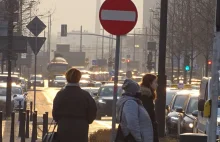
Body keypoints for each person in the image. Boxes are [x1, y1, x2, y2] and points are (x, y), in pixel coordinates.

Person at [52, 68, 97, 142]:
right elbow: (92, 111)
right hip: (81, 128)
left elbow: (55, 113)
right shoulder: (85, 95)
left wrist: (61, 120)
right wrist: (86, 121)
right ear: (79, 78)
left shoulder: (60, 94)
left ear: (67, 78)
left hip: (64, 127)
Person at [140, 74, 159, 142]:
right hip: (147, 133)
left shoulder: (145, 96)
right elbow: (148, 117)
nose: (157, 85)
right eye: (155, 82)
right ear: (150, 83)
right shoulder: (145, 98)